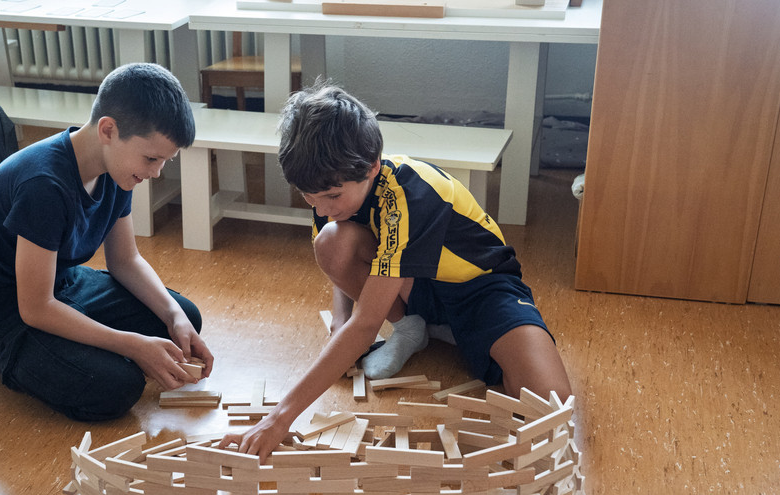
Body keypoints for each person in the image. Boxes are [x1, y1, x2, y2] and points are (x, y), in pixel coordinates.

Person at [221, 82, 571, 460]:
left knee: (551, 406)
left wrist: (278, 419)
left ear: (372, 166)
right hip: (413, 286)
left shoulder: (412, 194)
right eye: (309, 197)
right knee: (332, 240)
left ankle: (452, 332)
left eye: (331, 196)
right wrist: (339, 322)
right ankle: (412, 328)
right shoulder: (328, 185)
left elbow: (367, 324)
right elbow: (339, 263)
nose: (321, 209)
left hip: (482, 290)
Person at [0, 63, 213, 422]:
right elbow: (35, 308)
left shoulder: (117, 169)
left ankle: (67, 342)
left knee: (184, 318)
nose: (155, 172)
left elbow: (125, 261)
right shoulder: (43, 184)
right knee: (118, 387)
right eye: (151, 158)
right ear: (108, 130)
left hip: (57, 282)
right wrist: (133, 345)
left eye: (164, 161)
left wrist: (173, 315)